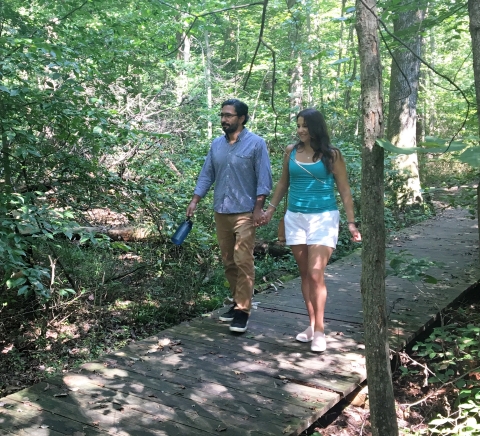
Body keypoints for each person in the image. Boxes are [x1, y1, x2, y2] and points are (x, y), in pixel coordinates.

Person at [262, 108, 361, 352]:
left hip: (324, 217)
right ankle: (312, 324)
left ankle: (319, 330)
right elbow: (284, 183)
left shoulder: (332, 155)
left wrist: (351, 222)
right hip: (295, 217)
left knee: (316, 272)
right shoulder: (291, 151)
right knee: (305, 273)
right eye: (298, 125)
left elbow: (345, 189)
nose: (300, 129)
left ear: (316, 127)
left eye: (305, 125)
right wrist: (271, 211)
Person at [186, 99, 272, 333]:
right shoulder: (217, 145)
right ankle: (236, 303)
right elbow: (207, 174)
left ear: (241, 118)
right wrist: (195, 199)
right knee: (229, 261)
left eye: (229, 115)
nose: (224, 119)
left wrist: (258, 208)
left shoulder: (256, 144)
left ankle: (243, 311)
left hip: (245, 211)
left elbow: (264, 179)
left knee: (244, 260)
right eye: (222, 115)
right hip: (221, 211)